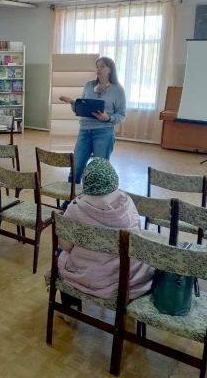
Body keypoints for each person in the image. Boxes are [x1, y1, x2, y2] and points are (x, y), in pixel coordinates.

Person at [51, 159, 154, 317]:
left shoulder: (75, 207)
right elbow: (137, 235)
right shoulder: (127, 201)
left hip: (91, 275)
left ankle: (69, 307)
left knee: (62, 254)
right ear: (113, 178)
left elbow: (66, 246)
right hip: (127, 275)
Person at [59, 57, 126, 186]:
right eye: (97, 66)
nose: (98, 69)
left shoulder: (118, 89)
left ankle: (95, 201)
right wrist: (74, 103)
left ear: (110, 69)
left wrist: (108, 118)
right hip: (84, 131)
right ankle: (71, 199)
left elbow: (121, 114)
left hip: (104, 132)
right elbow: (83, 108)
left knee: (99, 170)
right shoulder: (89, 85)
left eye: (102, 66)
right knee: (76, 167)